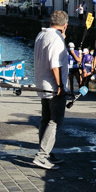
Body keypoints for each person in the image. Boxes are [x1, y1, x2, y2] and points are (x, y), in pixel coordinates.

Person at [32, 10, 69, 170]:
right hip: (54, 87)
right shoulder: (56, 38)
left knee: (45, 119)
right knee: (55, 121)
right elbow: (55, 64)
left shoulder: (41, 35)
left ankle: (47, 151)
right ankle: (42, 155)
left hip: (42, 83)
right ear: (65, 25)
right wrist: (60, 86)